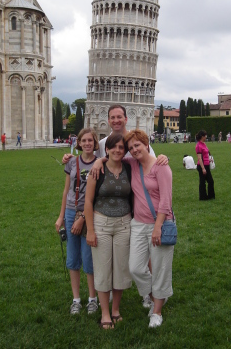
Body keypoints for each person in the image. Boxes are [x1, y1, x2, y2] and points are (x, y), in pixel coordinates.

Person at [123, 130, 174, 328]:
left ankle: (157, 311)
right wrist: (100, 161)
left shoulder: (161, 167)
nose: (134, 150)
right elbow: (112, 156)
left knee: (160, 267)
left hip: (159, 222)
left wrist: (158, 227)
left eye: (137, 145)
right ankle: (156, 294)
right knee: (135, 267)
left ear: (146, 144)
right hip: (138, 224)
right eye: (131, 147)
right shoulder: (133, 164)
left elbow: (166, 201)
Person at [84, 133, 133, 329]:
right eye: (114, 147)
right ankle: (105, 312)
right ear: (107, 150)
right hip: (101, 223)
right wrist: (90, 230)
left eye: (121, 147)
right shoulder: (97, 170)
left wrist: (164, 157)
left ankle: (115, 309)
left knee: (121, 269)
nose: (117, 150)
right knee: (103, 269)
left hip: (124, 224)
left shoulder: (129, 168)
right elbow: (88, 202)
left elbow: (147, 160)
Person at [55, 128, 99, 315]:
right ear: (78, 143)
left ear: (95, 143)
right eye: (84, 140)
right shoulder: (72, 163)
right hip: (71, 212)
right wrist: (61, 216)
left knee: (89, 259)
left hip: (90, 215)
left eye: (90, 140)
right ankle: (76, 299)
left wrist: (83, 218)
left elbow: (99, 197)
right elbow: (66, 191)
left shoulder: (100, 164)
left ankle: (92, 299)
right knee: (72, 259)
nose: (87, 143)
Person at [195, 130, 215, 200]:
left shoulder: (204, 144)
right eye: (205, 135)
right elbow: (200, 158)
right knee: (202, 182)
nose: (206, 137)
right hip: (202, 166)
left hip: (207, 164)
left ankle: (210, 196)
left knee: (210, 181)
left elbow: (205, 154)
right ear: (202, 136)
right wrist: (203, 168)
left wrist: (209, 159)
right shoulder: (198, 146)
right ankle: (203, 197)